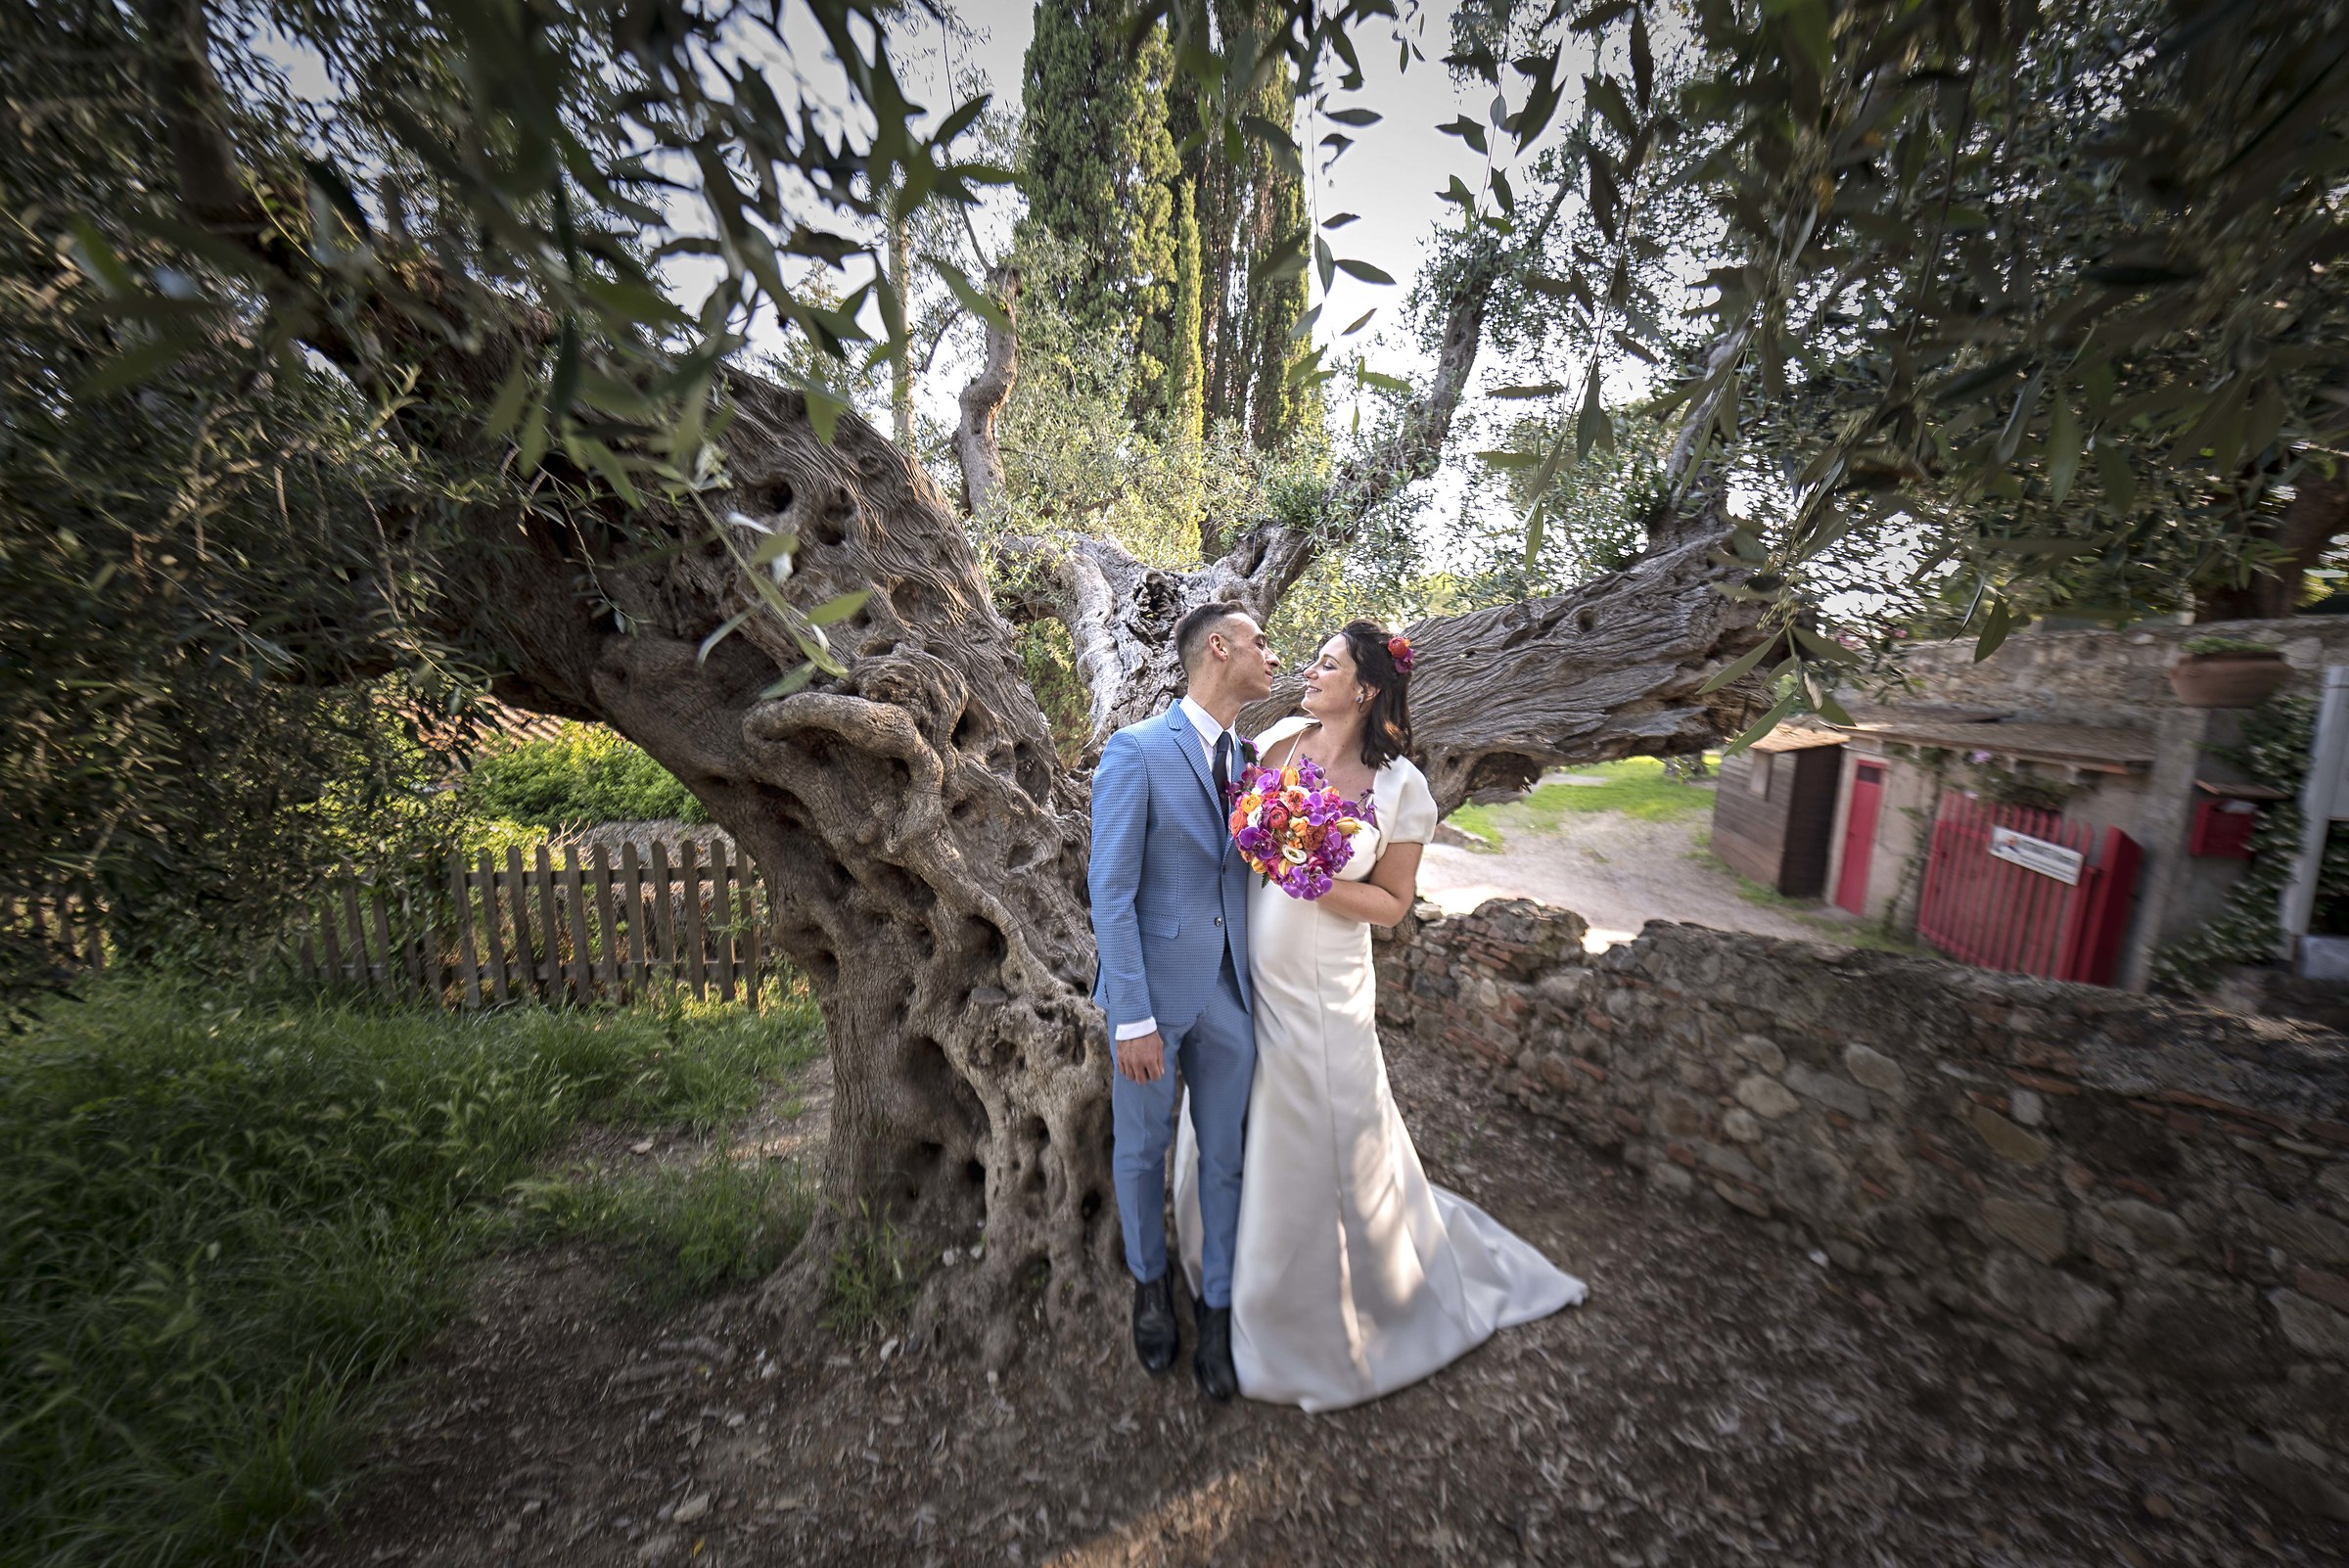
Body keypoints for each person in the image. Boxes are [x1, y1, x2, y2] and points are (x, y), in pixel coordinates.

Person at [1174, 621, 1589, 1411]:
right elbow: (1230, 836)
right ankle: (1224, 1279)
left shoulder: (1403, 789)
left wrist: (1310, 879)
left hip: (1325, 997)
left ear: (1365, 690)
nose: (1310, 669)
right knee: (1236, 1124)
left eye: (1326, 664)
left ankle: (1321, 1322)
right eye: (1314, 657)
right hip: (1249, 980)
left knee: (1318, 1136)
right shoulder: (1281, 742)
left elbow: (1394, 906)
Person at [1087, 601, 1281, 1400]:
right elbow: (1112, 891)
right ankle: (1148, 1284)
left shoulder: (1255, 761)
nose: (1274, 655)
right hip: (1152, 1004)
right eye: (1260, 641)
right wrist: (1131, 1015)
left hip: (1233, 999)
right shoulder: (1135, 752)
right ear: (1218, 646)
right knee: (1140, 1154)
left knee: (1226, 1158)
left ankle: (1221, 1308)